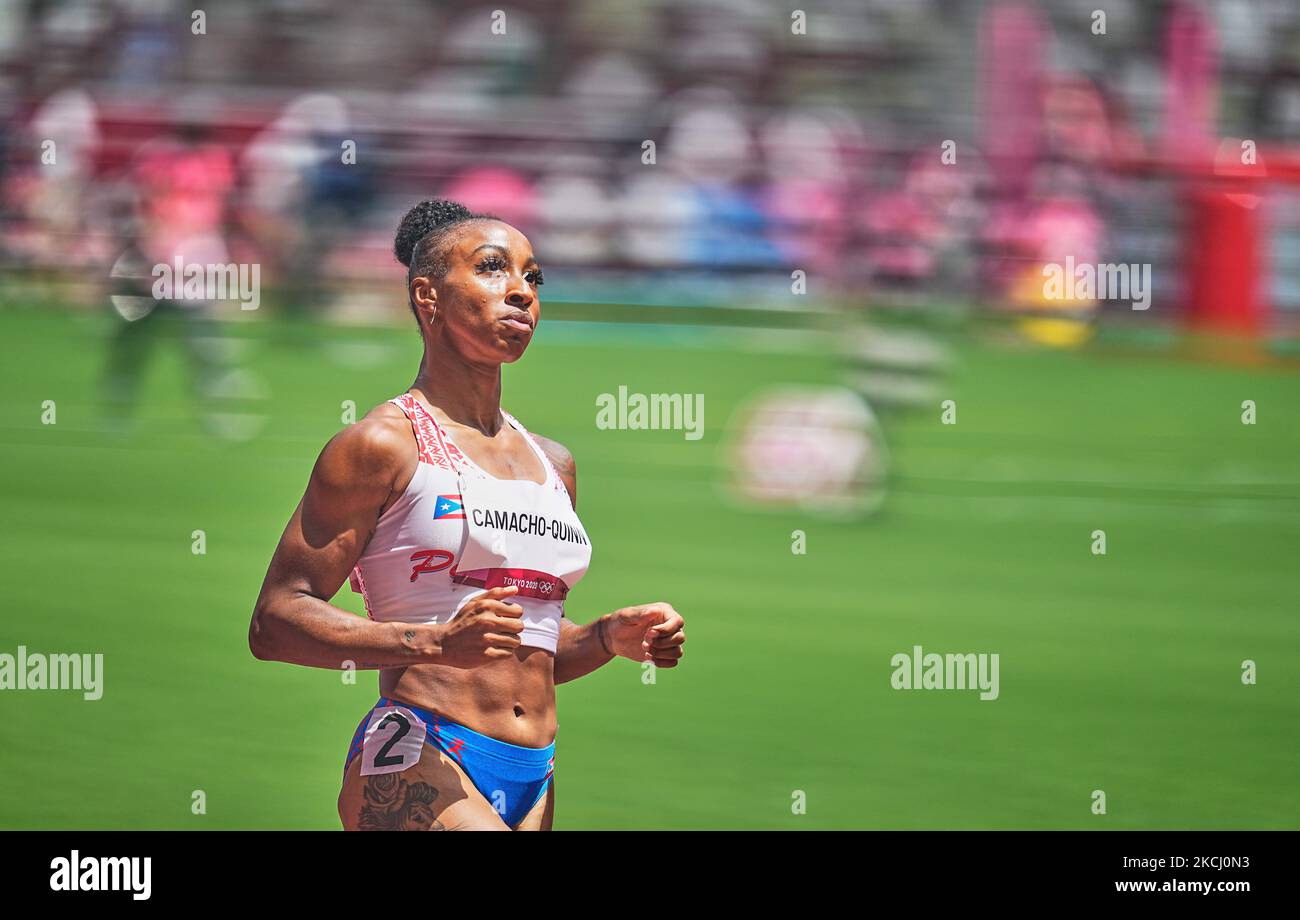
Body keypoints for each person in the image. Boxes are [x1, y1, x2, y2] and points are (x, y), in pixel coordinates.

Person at [248, 199, 686, 830]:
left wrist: (605, 639)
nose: (520, 292)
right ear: (428, 297)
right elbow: (275, 621)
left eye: (533, 278)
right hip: (421, 752)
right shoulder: (381, 446)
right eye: (492, 269)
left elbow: (527, 651)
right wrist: (430, 642)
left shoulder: (553, 463)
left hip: (534, 773)